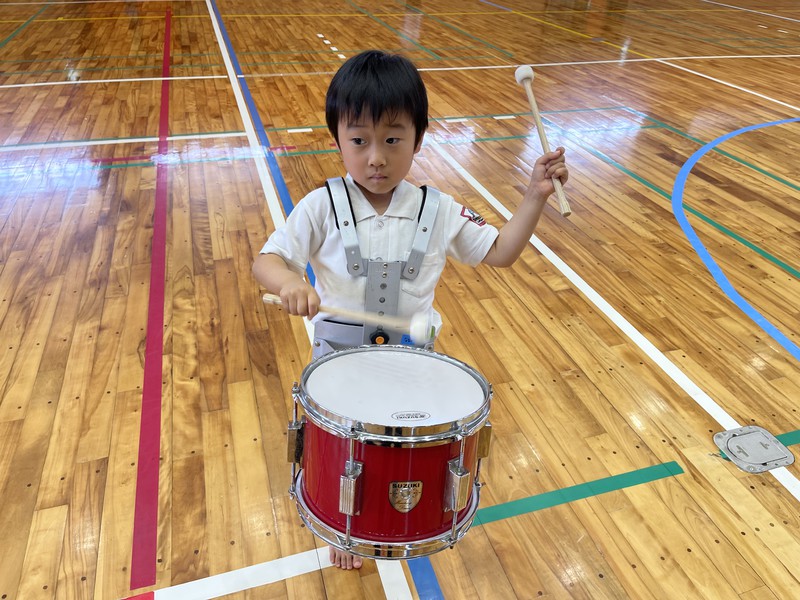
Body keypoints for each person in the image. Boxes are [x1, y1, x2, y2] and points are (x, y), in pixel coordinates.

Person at [252, 50, 568, 570]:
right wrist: (288, 281)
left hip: (412, 359)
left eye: (393, 140)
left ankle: (393, 517)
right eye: (359, 141)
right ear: (338, 140)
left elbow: (501, 251)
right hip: (337, 361)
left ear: (418, 140)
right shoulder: (320, 205)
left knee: (399, 449)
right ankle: (342, 524)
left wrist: (535, 195)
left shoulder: (439, 210)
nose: (376, 158)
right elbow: (266, 260)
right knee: (341, 451)